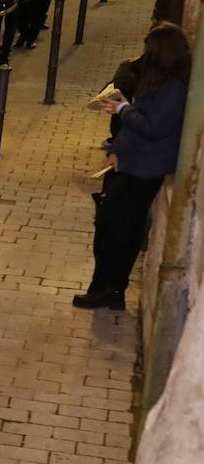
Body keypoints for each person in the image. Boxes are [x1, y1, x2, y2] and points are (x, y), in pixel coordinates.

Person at [74, 25, 190, 310]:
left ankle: (110, 288)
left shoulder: (173, 88)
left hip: (145, 168)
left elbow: (151, 126)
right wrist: (116, 151)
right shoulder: (158, 80)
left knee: (120, 230)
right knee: (108, 225)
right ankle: (104, 286)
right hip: (131, 161)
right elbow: (135, 125)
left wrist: (123, 109)